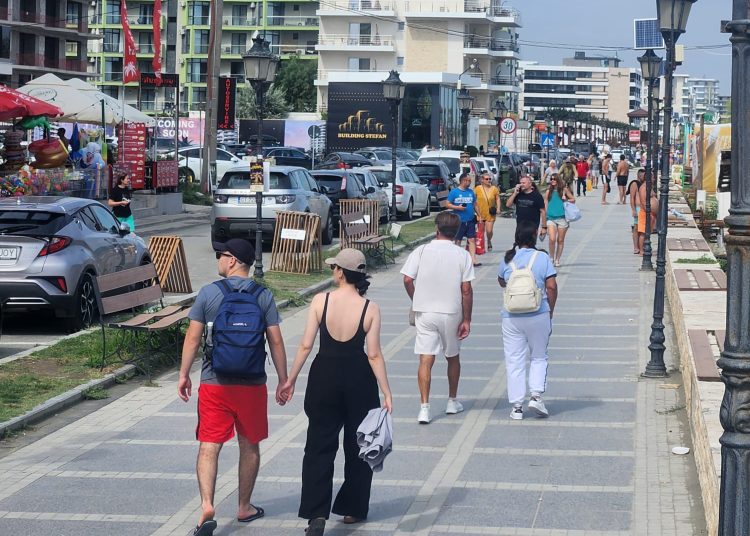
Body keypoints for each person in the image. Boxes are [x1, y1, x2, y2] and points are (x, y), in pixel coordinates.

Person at [178, 238, 289, 536]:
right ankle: (244, 506)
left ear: (232, 260)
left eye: (220, 254)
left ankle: (206, 505)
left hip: (216, 382)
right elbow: (275, 340)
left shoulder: (209, 294)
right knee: (249, 444)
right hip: (252, 384)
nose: (218, 259)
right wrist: (283, 378)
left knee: (209, 445)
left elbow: (192, 338)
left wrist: (184, 374)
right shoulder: (263, 295)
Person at [278, 249, 392, 535]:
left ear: (341, 272)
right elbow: (374, 355)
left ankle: (316, 514)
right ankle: (353, 508)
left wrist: (290, 379)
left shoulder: (321, 301)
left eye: (334, 268)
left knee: (318, 446)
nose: (332, 272)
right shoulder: (370, 308)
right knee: (358, 447)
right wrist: (386, 391)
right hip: (359, 381)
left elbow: (305, 345)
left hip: (324, 378)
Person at [401, 211, 474, 424]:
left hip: (425, 311)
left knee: (426, 358)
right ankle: (452, 400)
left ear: (437, 228)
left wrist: (416, 299)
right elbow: (467, 290)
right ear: (457, 231)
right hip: (451, 311)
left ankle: (424, 407)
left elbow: (407, 279)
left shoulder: (421, 251)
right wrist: (467, 319)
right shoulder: (462, 255)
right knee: (452, 356)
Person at [498, 220, 558, 420]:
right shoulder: (542, 257)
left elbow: (501, 281)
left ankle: (516, 407)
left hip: (511, 316)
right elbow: (551, 285)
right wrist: (550, 309)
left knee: (514, 359)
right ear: (534, 237)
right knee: (539, 356)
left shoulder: (508, 258)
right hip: (538, 313)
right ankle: (536, 396)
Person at [446, 172, 481, 266]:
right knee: (458, 240)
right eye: (468, 180)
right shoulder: (454, 192)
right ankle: (457, 259)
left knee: (472, 239)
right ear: (463, 181)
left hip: (470, 220)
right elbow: (447, 204)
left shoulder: (470, 192)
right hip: (459, 220)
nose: (469, 182)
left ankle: (473, 259)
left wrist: (479, 215)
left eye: (470, 180)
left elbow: (475, 204)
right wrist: (458, 207)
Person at [544, 173, 576, 268]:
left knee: (560, 240)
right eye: (551, 179)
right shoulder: (548, 191)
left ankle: (557, 259)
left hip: (562, 218)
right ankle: (551, 257)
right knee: (552, 239)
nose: (553, 181)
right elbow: (545, 202)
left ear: (558, 180)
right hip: (551, 218)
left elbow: (573, 199)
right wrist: (545, 215)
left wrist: (565, 199)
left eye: (554, 179)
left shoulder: (563, 190)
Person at [506, 174, 547, 240]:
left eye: (524, 183)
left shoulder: (537, 196)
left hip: (532, 226)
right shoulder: (518, 194)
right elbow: (508, 205)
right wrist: (514, 193)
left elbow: (543, 211)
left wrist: (544, 227)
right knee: (520, 246)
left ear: (530, 184)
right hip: (520, 226)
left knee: (530, 246)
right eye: (520, 183)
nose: (521, 184)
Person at [474, 172, 501, 251]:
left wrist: (498, 208)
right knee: (481, 231)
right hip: (480, 212)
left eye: (490, 179)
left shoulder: (494, 188)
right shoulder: (477, 188)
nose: (489, 180)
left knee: (489, 231)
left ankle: (489, 240)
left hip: (490, 213)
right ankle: (481, 246)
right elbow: (473, 199)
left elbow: (497, 198)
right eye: (487, 179)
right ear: (482, 180)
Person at [628, 169, 646, 254]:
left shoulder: (645, 184)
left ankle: (640, 246)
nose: (644, 177)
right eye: (643, 176)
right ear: (639, 176)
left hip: (643, 209)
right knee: (636, 228)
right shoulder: (634, 184)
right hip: (638, 208)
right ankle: (636, 247)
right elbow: (632, 197)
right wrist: (633, 209)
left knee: (642, 229)